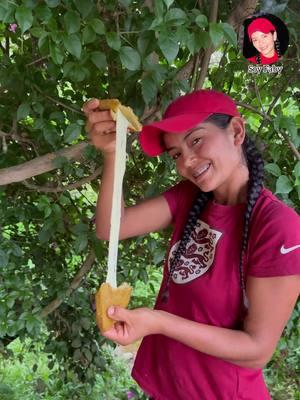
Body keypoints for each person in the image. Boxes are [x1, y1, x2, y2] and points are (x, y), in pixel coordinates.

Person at [83, 90, 300, 400]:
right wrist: (112, 152)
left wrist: (158, 322)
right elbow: (110, 227)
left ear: (236, 131)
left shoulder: (277, 226)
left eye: (196, 140)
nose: (186, 161)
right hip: (171, 389)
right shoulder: (191, 197)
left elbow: (257, 350)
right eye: (175, 154)